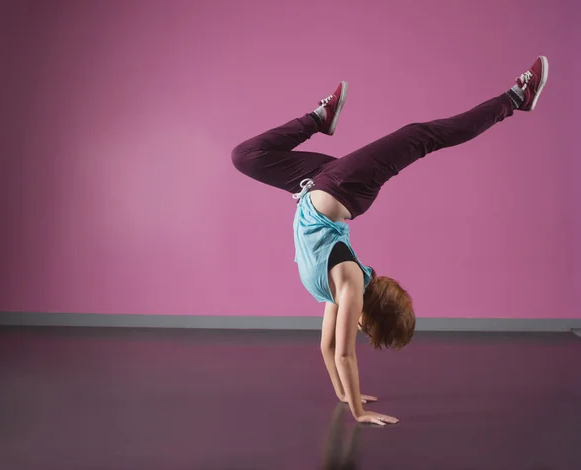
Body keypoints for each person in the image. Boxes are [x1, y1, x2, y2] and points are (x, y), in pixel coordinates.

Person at [231, 56, 549, 425]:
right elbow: (344, 355)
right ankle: (516, 98)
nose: (360, 332)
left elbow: (328, 348)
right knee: (422, 136)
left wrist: (342, 393)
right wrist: (358, 411)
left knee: (246, 157)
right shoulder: (348, 283)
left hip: (314, 185)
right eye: (369, 330)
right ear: (369, 317)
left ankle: (319, 120)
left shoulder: (334, 294)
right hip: (342, 187)